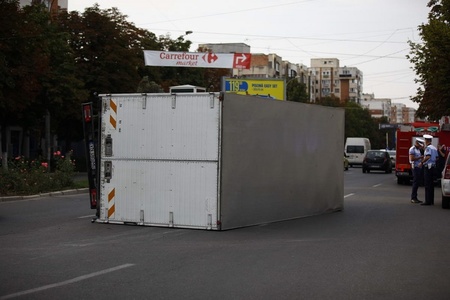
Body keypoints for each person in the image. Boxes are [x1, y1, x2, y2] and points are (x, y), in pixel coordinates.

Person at [420, 134, 439, 206]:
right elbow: (437, 158)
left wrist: (422, 162)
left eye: (425, 140)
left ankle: (427, 201)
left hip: (428, 167)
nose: (424, 141)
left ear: (427, 141)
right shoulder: (434, 148)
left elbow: (428, 156)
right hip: (433, 167)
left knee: (427, 184)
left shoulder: (428, 148)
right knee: (431, 184)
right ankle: (431, 200)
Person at [409, 138, 424, 203]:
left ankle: (415, 197)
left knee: (417, 182)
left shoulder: (418, 149)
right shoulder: (412, 149)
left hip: (418, 167)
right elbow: (412, 158)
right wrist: (420, 157)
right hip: (415, 167)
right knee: (415, 182)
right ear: (417, 143)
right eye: (419, 145)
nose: (420, 146)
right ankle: (413, 198)